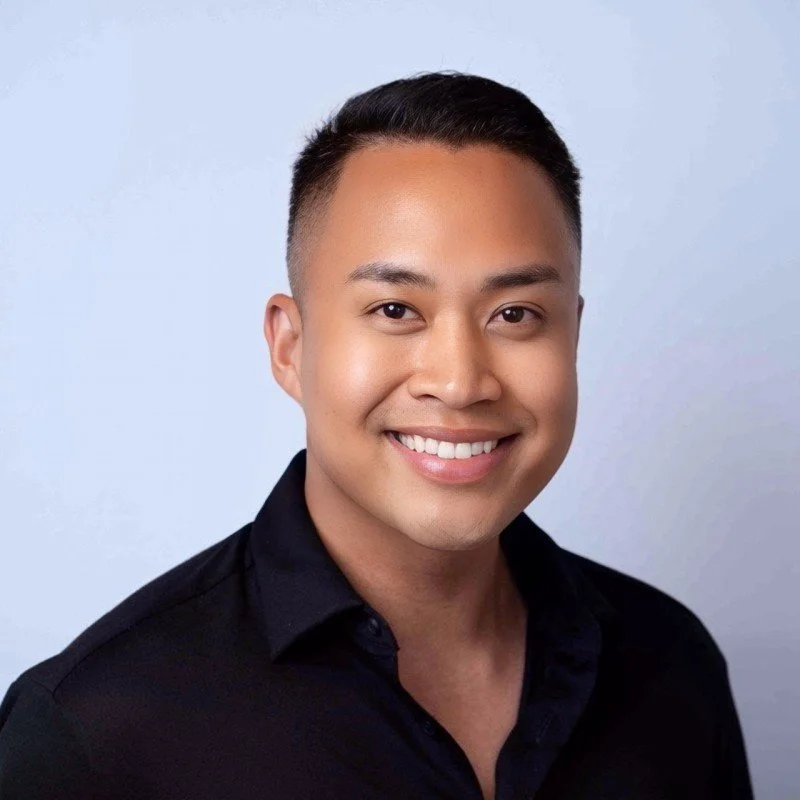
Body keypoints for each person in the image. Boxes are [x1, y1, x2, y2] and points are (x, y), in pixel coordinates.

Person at [0, 71, 753, 800]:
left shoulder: (670, 663)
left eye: (516, 315)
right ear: (290, 347)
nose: (459, 382)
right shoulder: (95, 731)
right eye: (396, 310)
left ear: (574, 338)